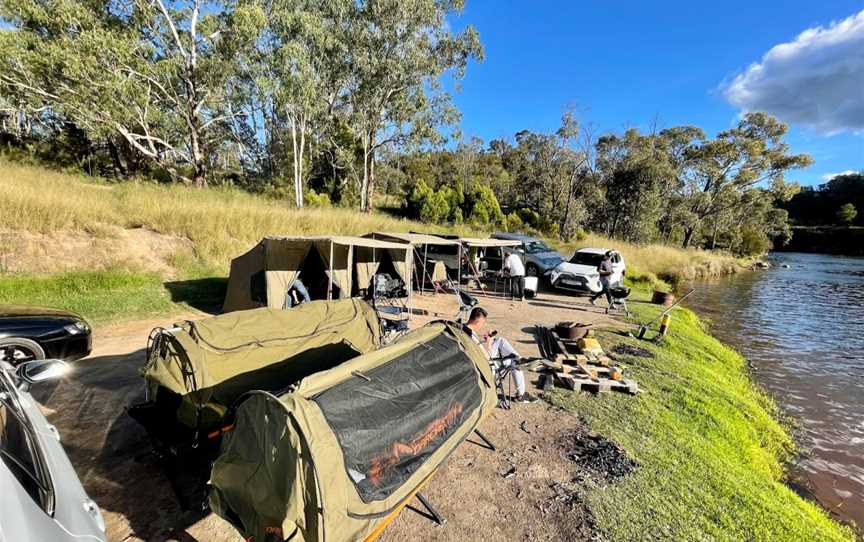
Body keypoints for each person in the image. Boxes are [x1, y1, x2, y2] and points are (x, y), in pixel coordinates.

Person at [463, 307, 537, 403]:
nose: (482, 326)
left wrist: (486, 341)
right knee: (515, 362)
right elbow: (488, 358)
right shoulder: (472, 337)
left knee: (500, 341)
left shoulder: (463, 328)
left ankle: (519, 358)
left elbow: (478, 349)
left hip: (475, 359)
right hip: (486, 367)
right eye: (482, 323)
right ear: (478, 321)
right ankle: (521, 396)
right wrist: (489, 343)